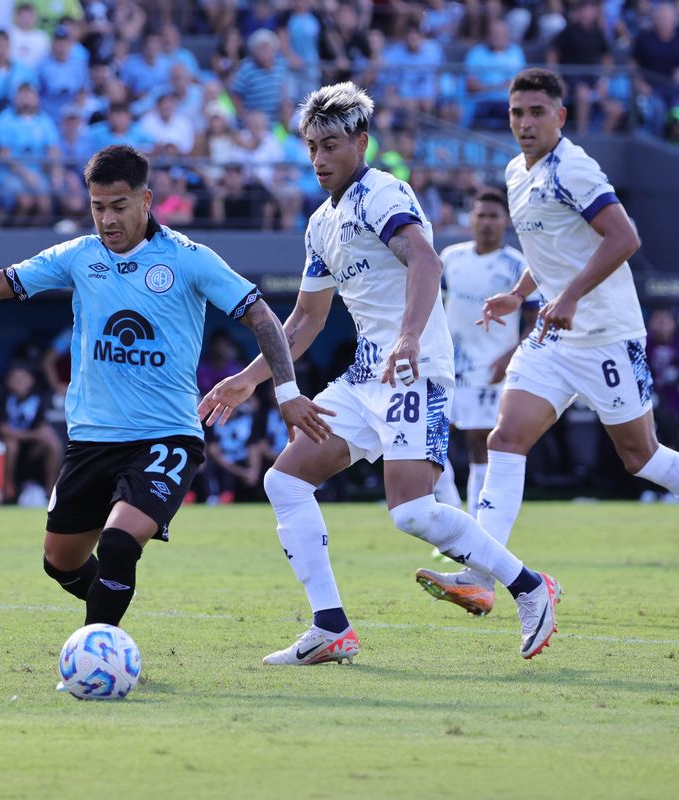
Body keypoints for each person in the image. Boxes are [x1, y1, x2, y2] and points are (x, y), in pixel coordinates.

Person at [0, 144, 328, 634]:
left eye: (119, 206)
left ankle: (102, 648)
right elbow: (1, 283)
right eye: (98, 207)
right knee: (60, 562)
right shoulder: (79, 255)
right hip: (92, 438)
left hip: (165, 437)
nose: (107, 219)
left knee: (118, 544)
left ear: (146, 200)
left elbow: (263, 318)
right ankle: (109, 622)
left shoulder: (189, 260)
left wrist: (285, 394)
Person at [199, 83, 561, 666]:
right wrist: (248, 378)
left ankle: (528, 587)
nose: (319, 158)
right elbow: (307, 319)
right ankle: (331, 627)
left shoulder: (382, 192)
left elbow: (425, 260)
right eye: (312, 146)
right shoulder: (320, 223)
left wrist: (412, 337)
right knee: (285, 482)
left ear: (361, 143)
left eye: (331, 144)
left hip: (414, 372)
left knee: (411, 511)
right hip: (366, 376)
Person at [417, 68, 679, 615]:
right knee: (504, 440)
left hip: (606, 336)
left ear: (560, 116)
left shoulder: (575, 169)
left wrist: (573, 297)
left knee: (640, 457)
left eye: (537, 112)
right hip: (553, 337)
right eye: (517, 112)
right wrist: (519, 293)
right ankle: (481, 576)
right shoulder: (516, 171)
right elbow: (552, 250)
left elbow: (624, 238)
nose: (526, 122)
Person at [430, 188, 534, 519]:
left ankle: (477, 522)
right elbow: (432, 306)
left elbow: (535, 320)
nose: (487, 222)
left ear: (506, 221)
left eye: (494, 216)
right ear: (471, 219)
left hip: (492, 366)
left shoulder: (518, 266)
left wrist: (511, 356)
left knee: (480, 443)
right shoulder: (451, 257)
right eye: (481, 215)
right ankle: (451, 516)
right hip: (448, 362)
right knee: (429, 437)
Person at [0, 360, 62, 503]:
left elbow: (43, 428)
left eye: (23, 378)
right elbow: (2, 429)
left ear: (31, 381)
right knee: (11, 443)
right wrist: (31, 435)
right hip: (7, 448)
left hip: (31, 449)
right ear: (8, 382)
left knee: (52, 442)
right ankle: (6, 489)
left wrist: (36, 435)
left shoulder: (39, 399)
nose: (19, 382)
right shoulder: (2, 397)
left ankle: (50, 491)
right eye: (15, 379)